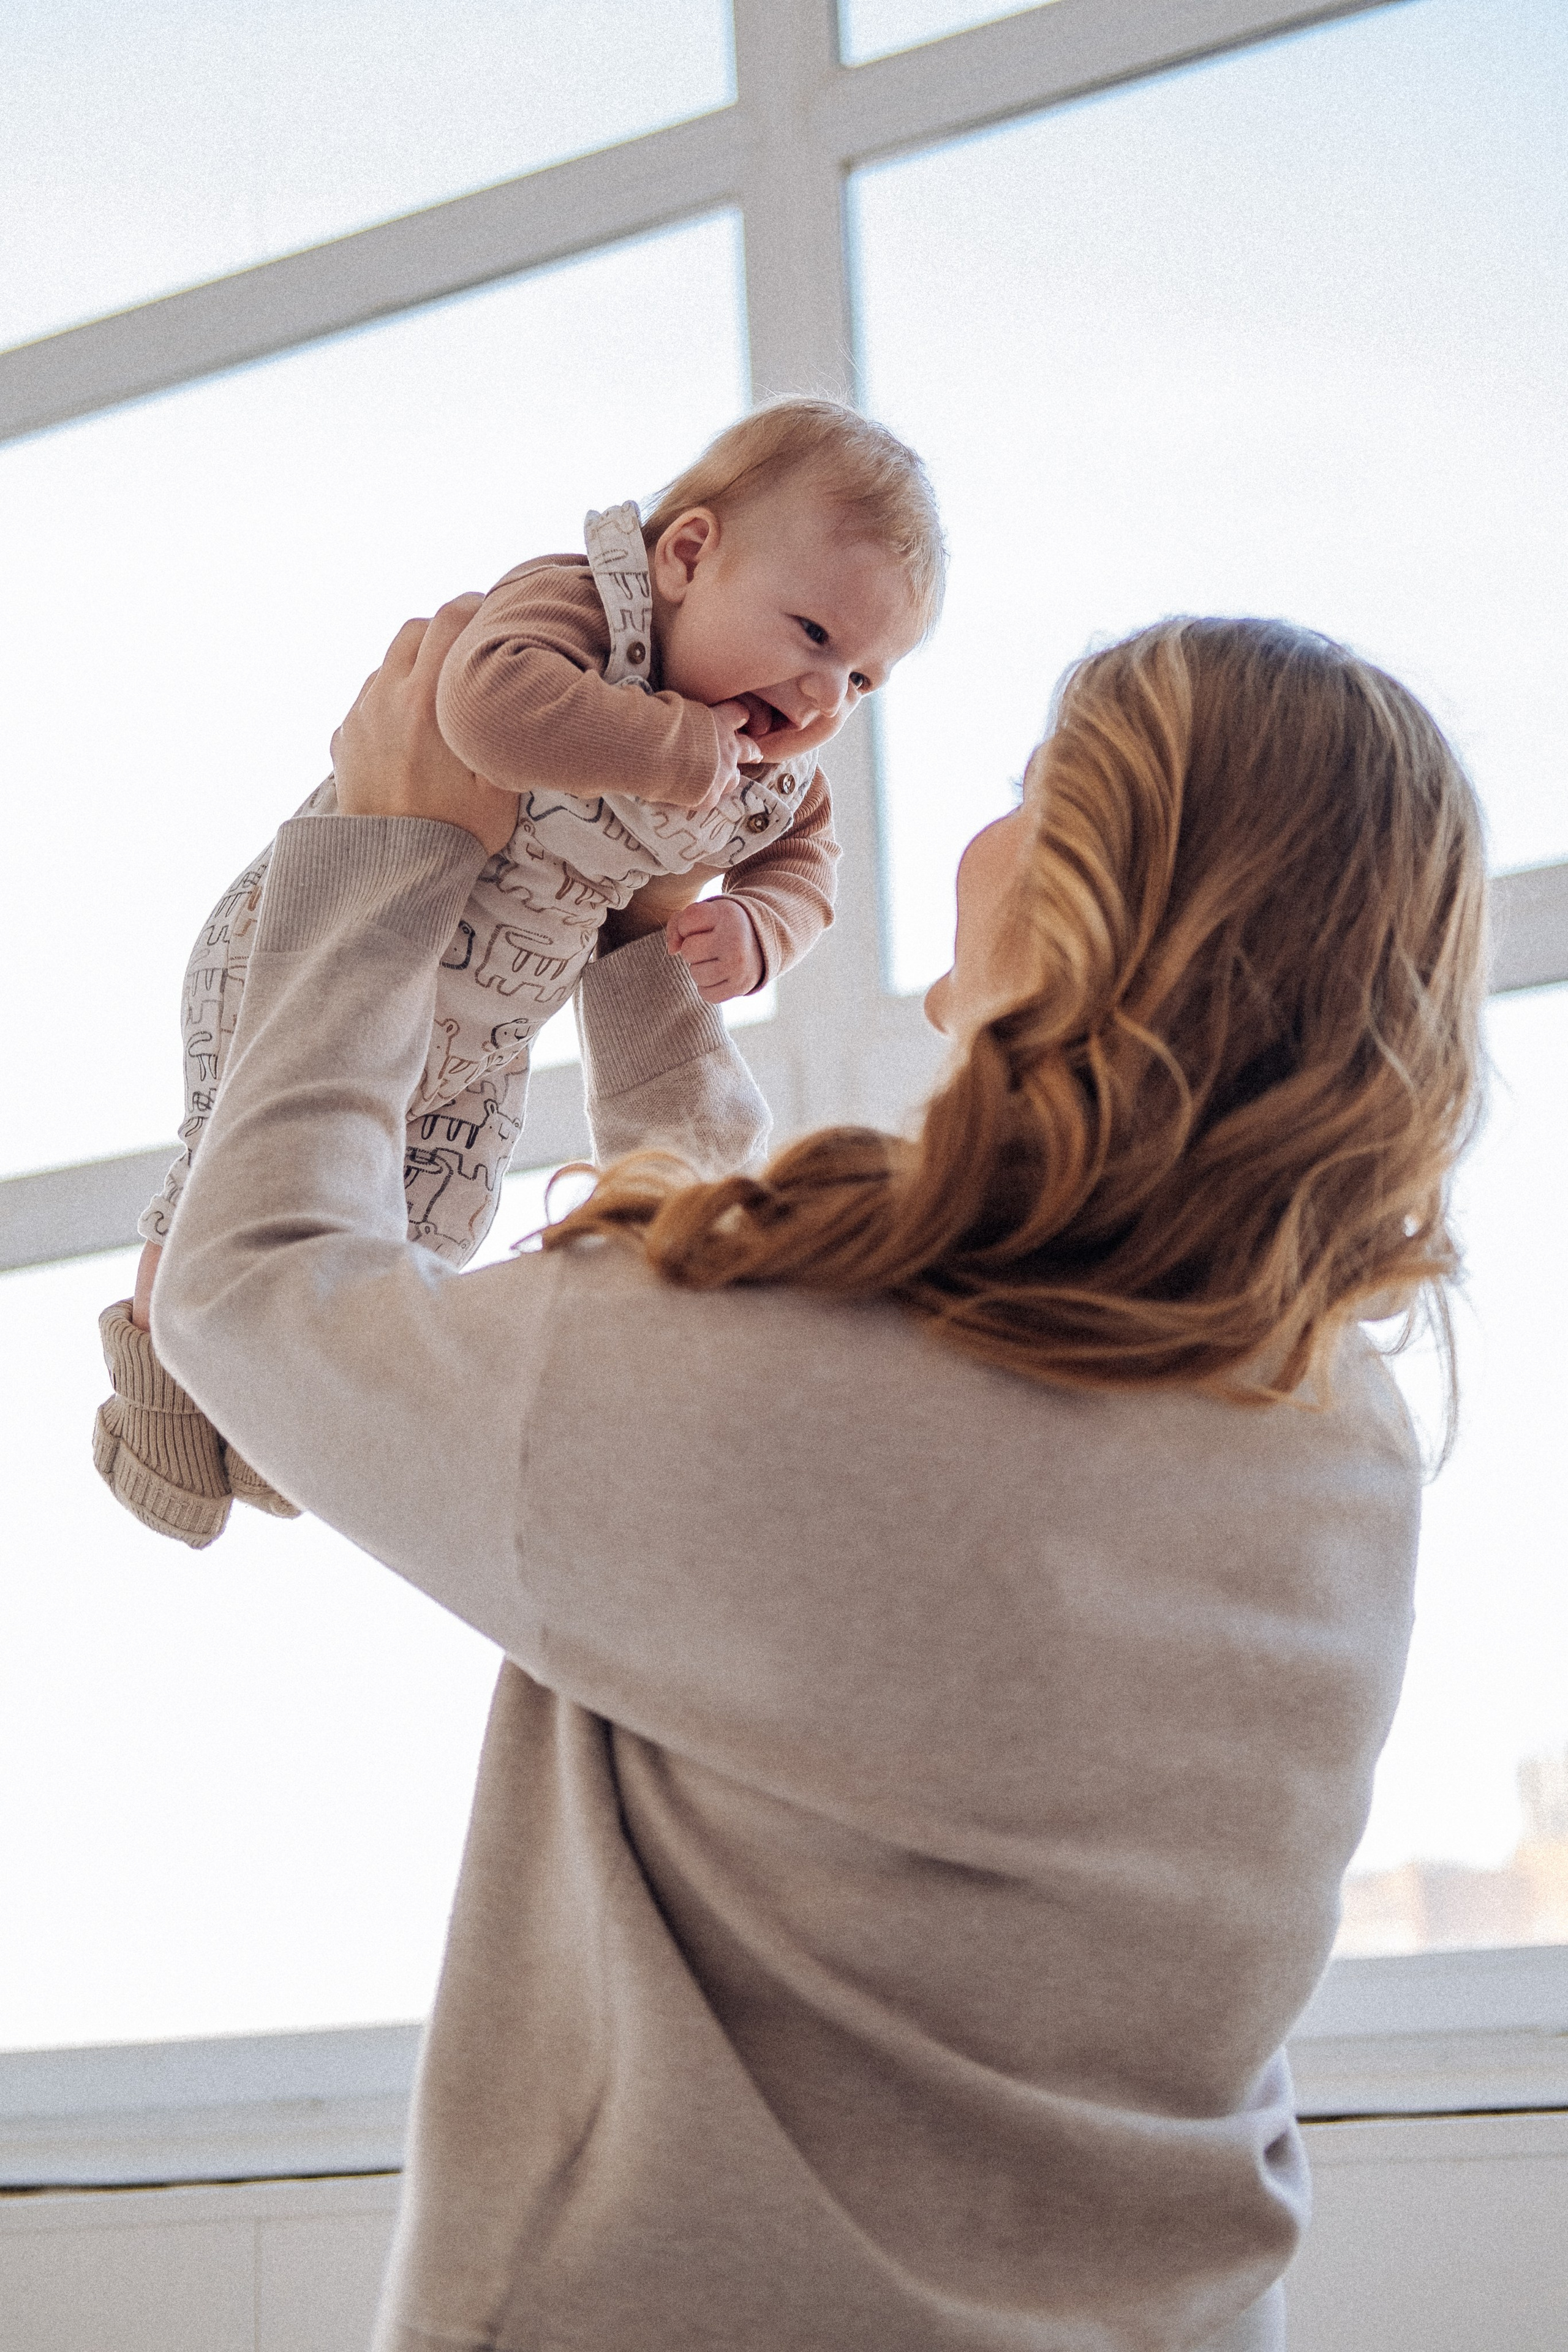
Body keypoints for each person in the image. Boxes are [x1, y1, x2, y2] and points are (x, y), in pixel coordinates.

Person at [145, 598, 1483, 2350]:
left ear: (1102, 891)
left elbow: (247, 1301)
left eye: (1031, 786)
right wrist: (638, 968)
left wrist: (380, 850)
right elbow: (780, 1390)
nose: (983, 835)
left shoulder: (790, 1390)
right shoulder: (1332, 1437)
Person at [95, 399, 938, 1545]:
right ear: (689, 555)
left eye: (864, 685)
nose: (822, 700)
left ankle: (274, 1421)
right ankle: (154, 1392)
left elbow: (808, 866)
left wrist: (758, 926)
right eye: (814, 637)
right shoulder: (586, 606)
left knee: (436, 1220)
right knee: (234, 1174)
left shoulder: (776, 780)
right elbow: (484, 709)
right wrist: (674, 750)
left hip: (484, 1034)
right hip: (316, 937)